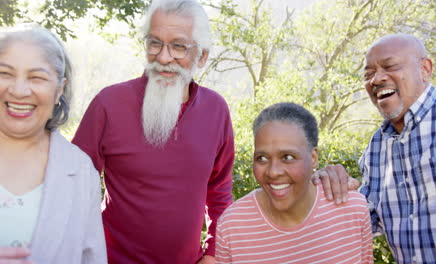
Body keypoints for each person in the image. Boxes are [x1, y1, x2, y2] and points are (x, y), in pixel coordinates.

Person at [72, 0, 234, 263]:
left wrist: (213, 254)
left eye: (178, 46)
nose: (164, 57)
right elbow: (72, 185)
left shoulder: (216, 109)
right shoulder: (109, 104)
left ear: (202, 56)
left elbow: (219, 193)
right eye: (154, 42)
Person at [0, 24, 107, 263]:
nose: (19, 90)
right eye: (5, 73)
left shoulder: (82, 172)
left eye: (37, 77)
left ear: (59, 90)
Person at [215, 102, 373, 264]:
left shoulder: (352, 209)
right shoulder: (231, 226)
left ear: (313, 158)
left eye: (288, 157)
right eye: (262, 158)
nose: (273, 171)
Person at [358, 34, 435, 263]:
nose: (376, 79)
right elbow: (363, 221)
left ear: (424, 69)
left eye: (390, 66)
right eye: (368, 74)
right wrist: (328, 186)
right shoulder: (375, 149)